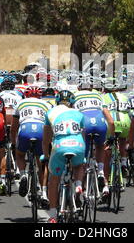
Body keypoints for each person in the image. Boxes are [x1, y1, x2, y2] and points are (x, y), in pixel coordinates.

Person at [42, 90, 86, 223]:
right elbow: (83, 137)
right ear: (72, 103)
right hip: (78, 145)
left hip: (60, 147)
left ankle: (53, 215)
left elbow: (45, 140)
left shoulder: (50, 113)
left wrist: (45, 155)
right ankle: (78, 185)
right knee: (79, 165)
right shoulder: (79, 114)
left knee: (54, 179)